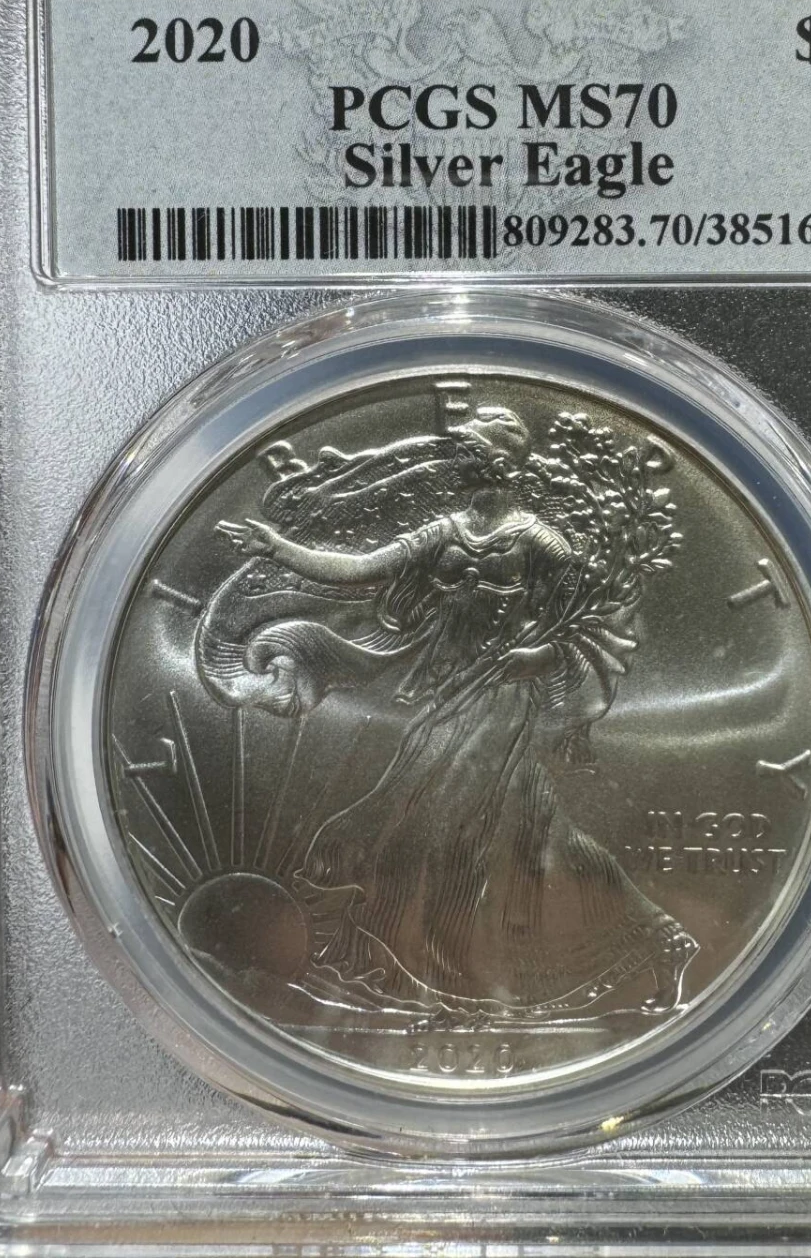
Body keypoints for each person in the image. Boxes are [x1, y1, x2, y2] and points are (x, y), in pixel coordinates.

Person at [226, 405, 697, 1019]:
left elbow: (598, 616)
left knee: (437, 826)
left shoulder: (539, 540)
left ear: (503, 465)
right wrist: (280, 548)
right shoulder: (443, 531)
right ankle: (450, 971)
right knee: (511, 832)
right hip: (447, 690)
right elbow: (361, 570)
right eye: (465, 451)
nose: (464, 461)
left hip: (501, 698)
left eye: (476, 452)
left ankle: (450, 975)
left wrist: (542, 655)